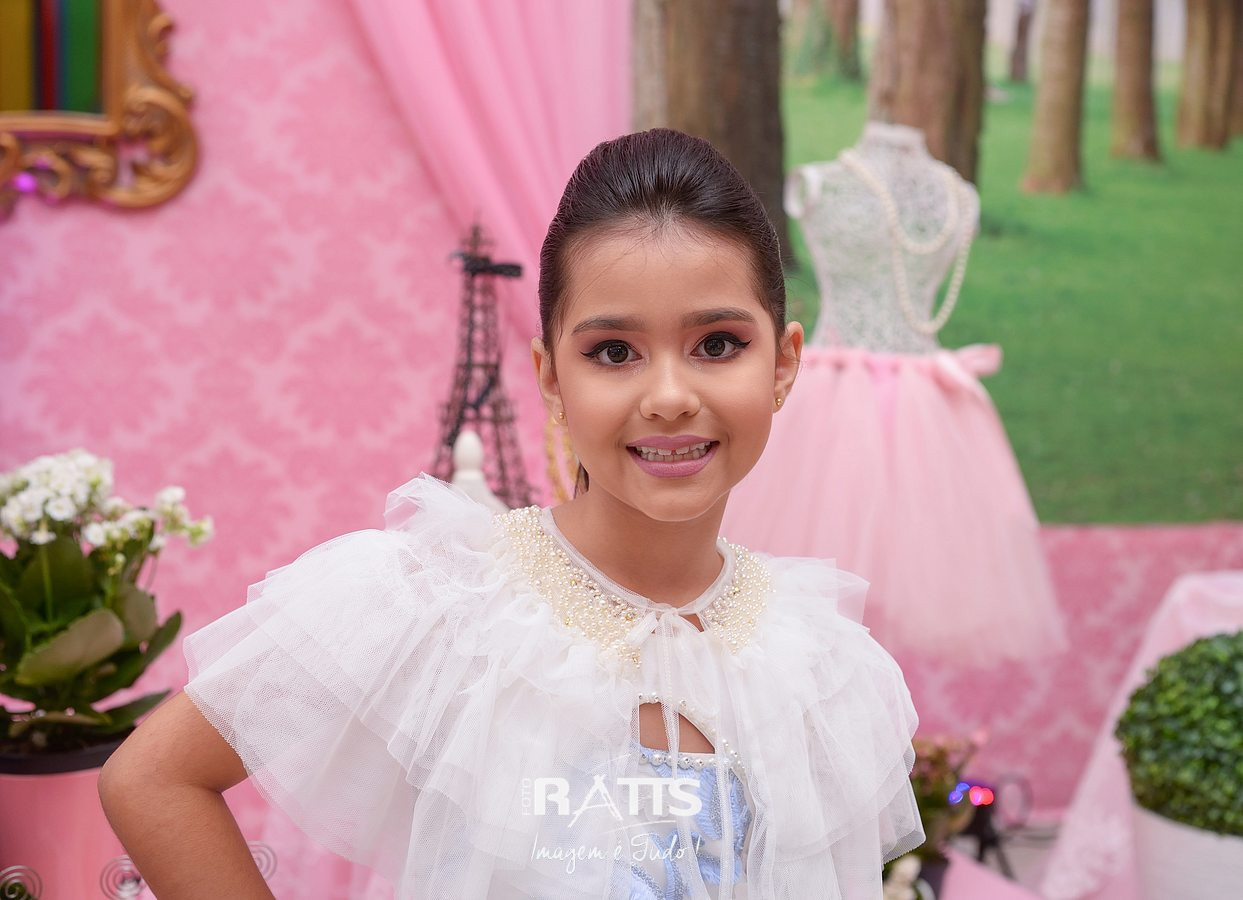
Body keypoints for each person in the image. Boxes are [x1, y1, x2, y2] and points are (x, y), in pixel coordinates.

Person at [99, 128, 924, 899]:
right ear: (551, 378)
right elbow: (153, 777)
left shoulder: (826, 668)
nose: (669, 397)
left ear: (782, 364)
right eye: (613, 352)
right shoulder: (434, 602)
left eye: (716, 344)